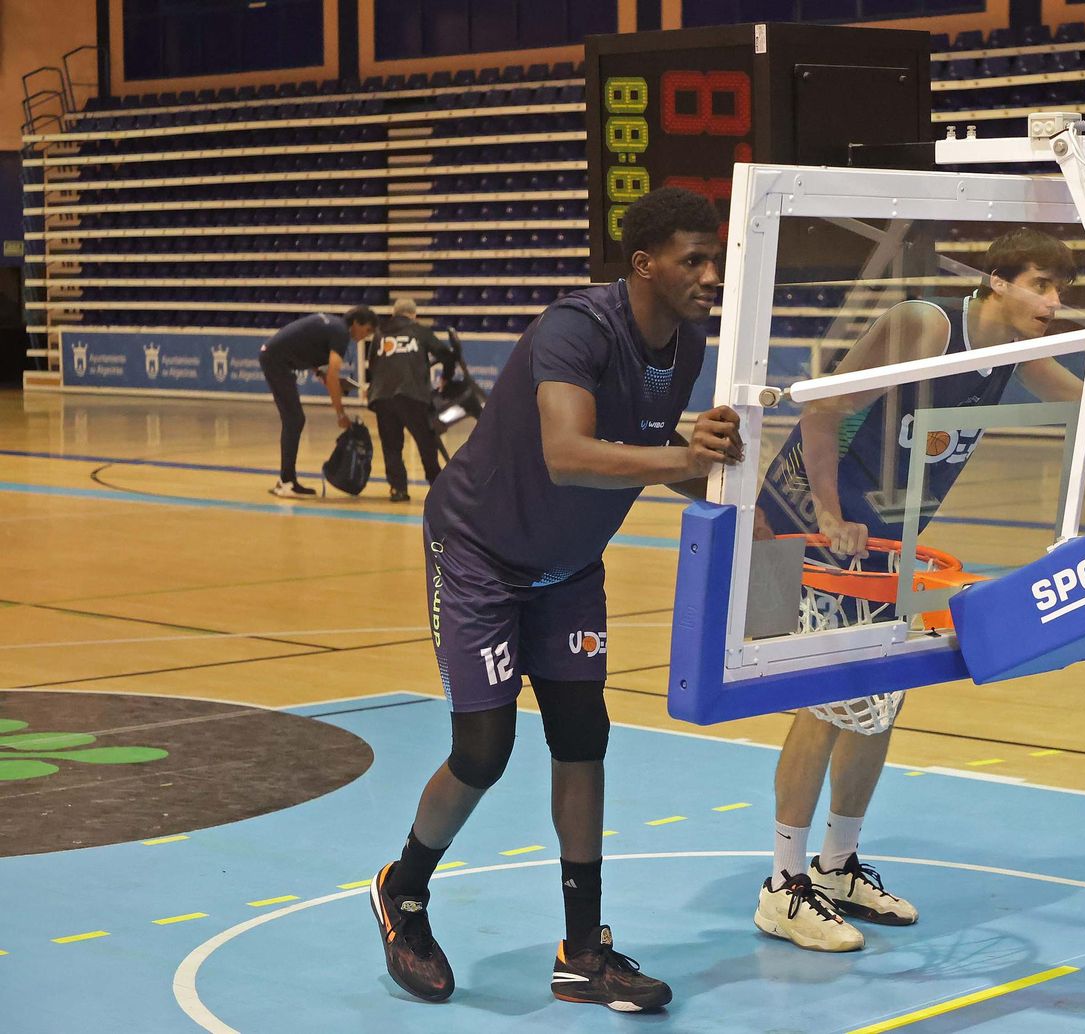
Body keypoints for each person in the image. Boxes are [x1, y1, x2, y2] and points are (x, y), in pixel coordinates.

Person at [751, 228, 1085, 951]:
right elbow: (822, 407)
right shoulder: (924, 325)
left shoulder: (1011, 351)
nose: (1053, 303)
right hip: (800, 521)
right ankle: (783, 885)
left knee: (879, 702)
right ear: (996, 280)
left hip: (886, 535)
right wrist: (827, 511)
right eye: (1041, 285)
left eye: (1061, 292)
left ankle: (836, 867)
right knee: (831, 700)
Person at [368, 187, 740, 1012]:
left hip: (569, 567)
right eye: (694, 260)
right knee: (484, 751)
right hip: (480, 554)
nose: (711, 274)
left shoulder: (685, 344)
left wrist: (745, 498)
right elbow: (570, 453)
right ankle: (405, 889)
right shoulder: (577, 328)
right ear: (644, 265)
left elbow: (648, 456)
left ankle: (582, 951)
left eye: (714, 258)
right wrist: (683, 457)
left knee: (583, 738)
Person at [257, 307, 377, 497]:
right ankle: (286, 482)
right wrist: (340, 414)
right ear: (356, 323)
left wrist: (318, 371)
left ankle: (286, 480)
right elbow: (333, 376)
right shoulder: (341, 333)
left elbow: (305, 342)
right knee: (294, 419)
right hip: (276, 361)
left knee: (294, 419)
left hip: (275, 357)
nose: (366, 336)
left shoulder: (333, 324)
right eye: (367, 330)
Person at [367, 297, 455, 502]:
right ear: (413, 315)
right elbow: (447, 355)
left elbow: (372, 364)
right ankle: (437, 486)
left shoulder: (380, 333)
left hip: (383, 396)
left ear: (393, 313)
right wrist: (445, 378)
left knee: (391, 445)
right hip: (412, 395)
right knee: (426, 442)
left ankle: (398, 489)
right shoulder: (419, 331)